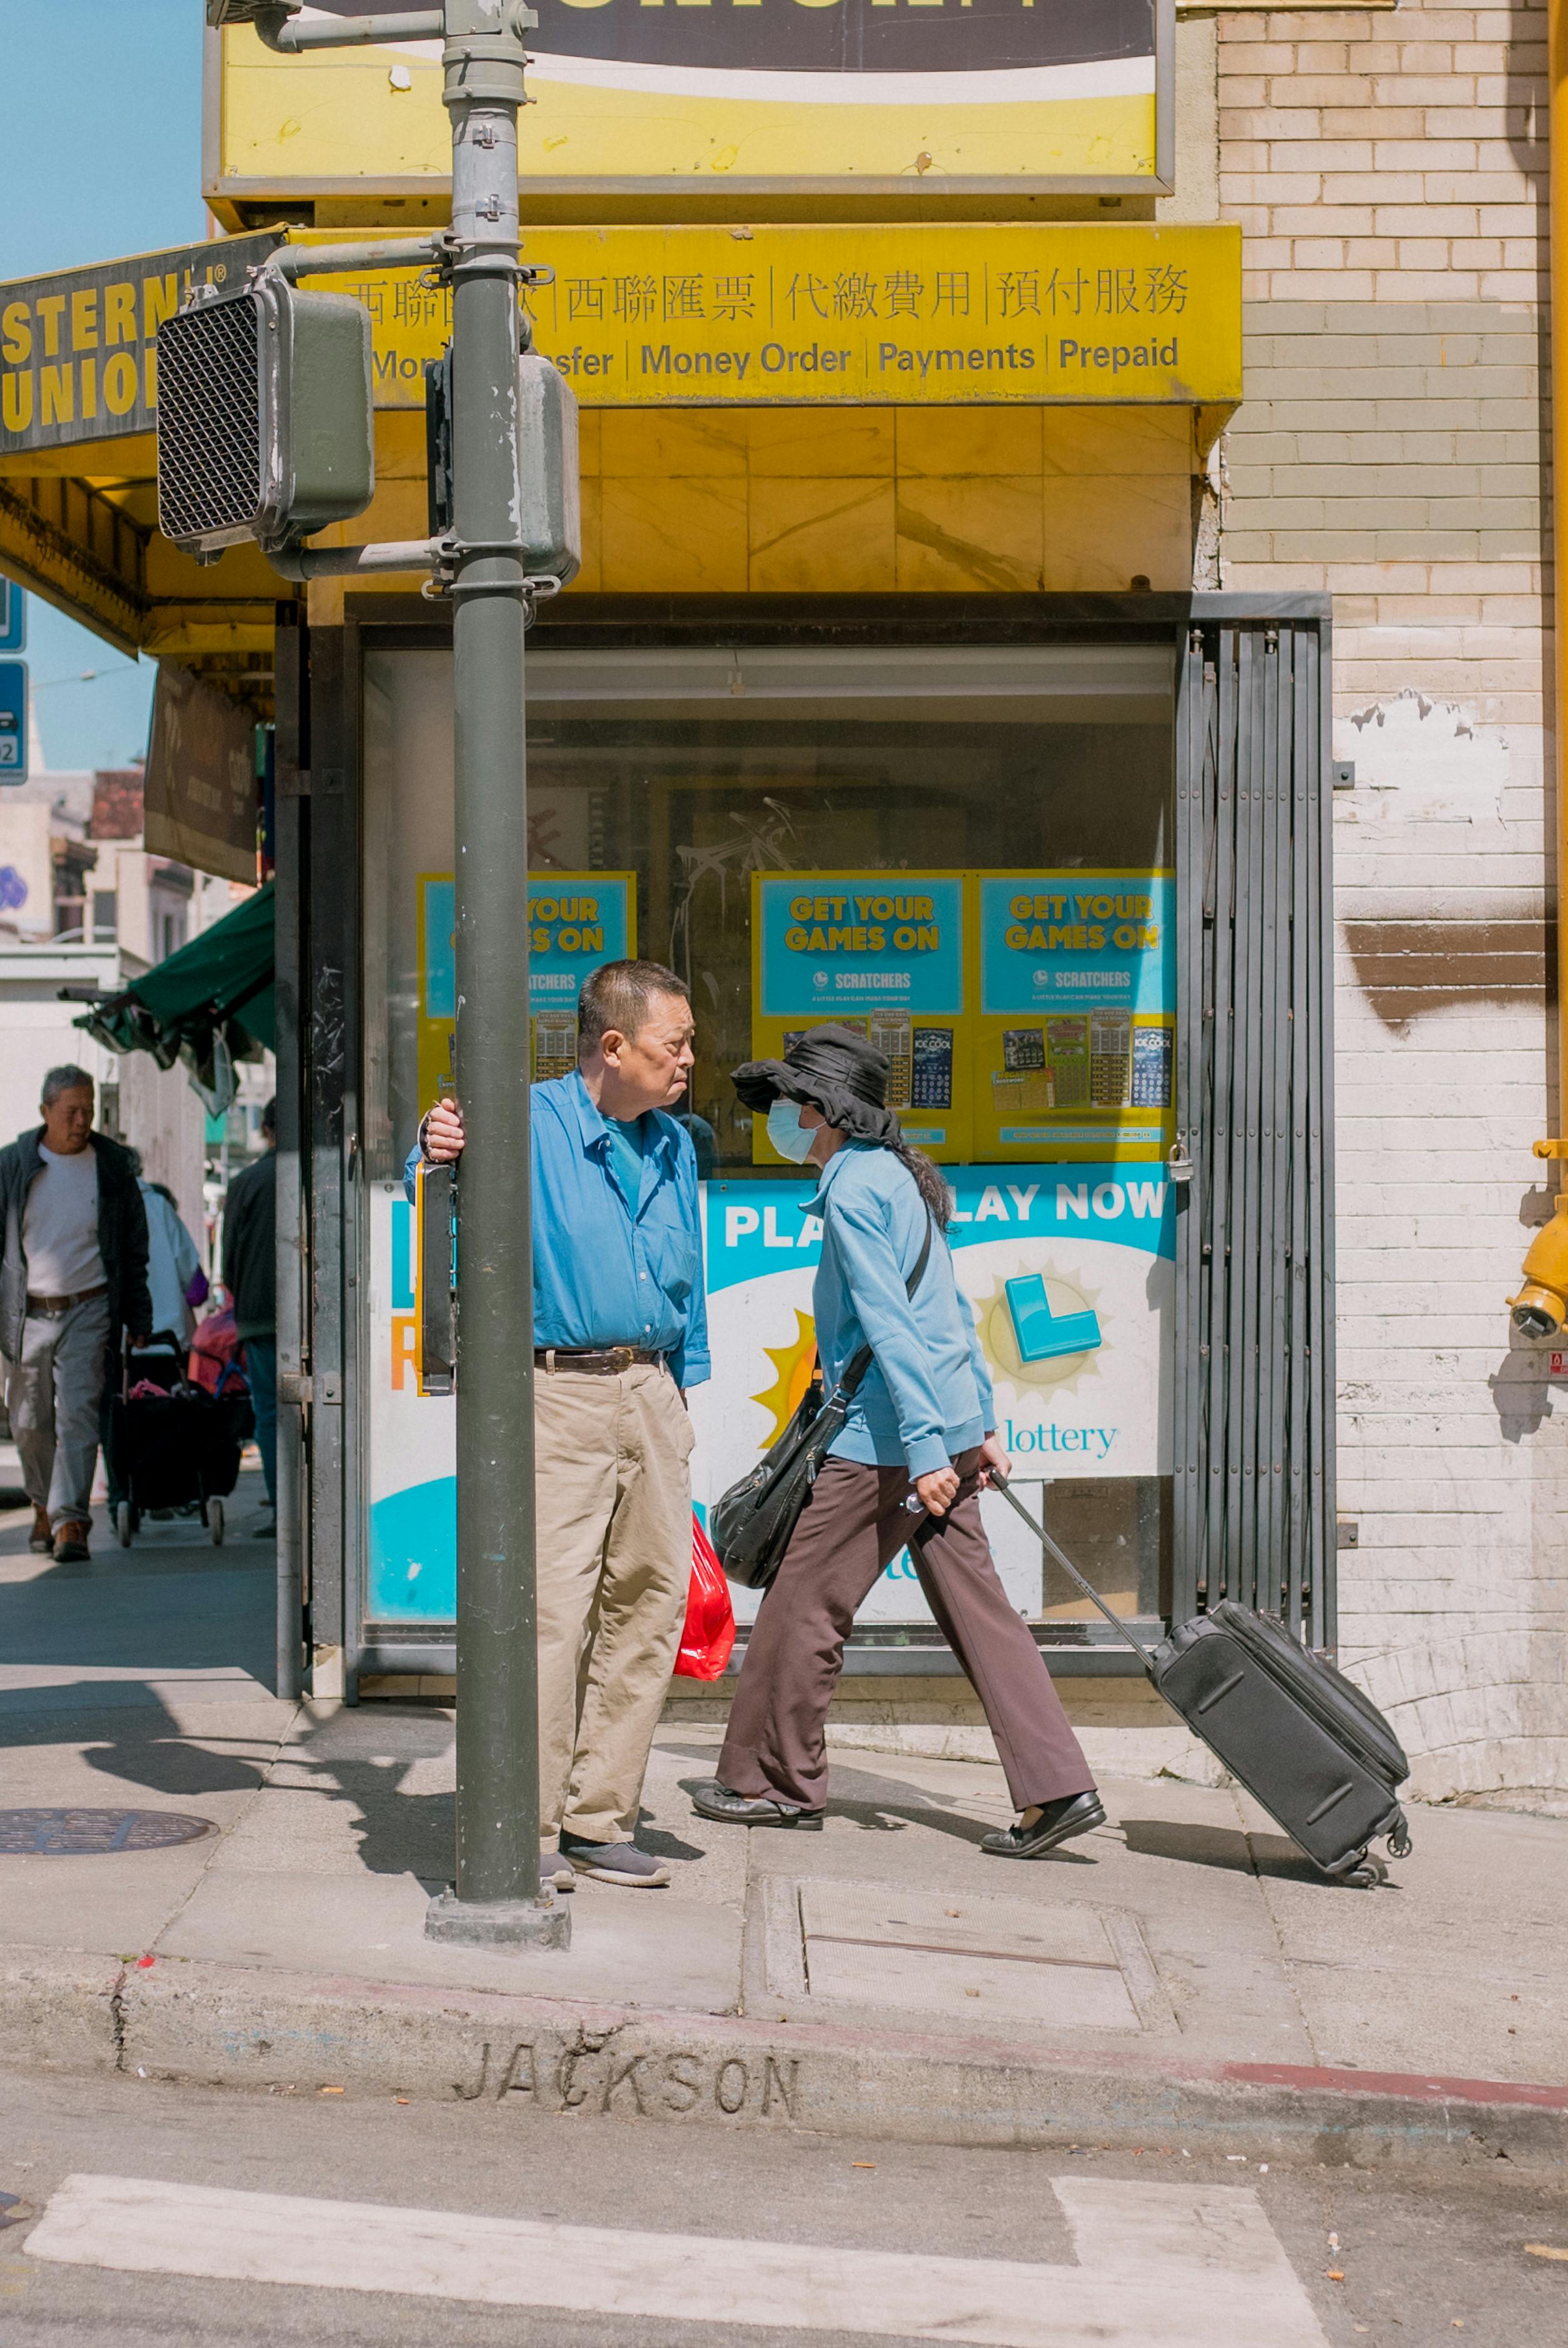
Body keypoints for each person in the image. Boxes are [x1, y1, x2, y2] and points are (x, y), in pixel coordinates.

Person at [692, 1025, 1105, 1860]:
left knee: (805, 1602)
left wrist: (923, 1455)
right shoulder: (899, 1180)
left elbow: (891, 1321)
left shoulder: (853, 1190)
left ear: (823, 1112)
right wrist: (977, 1427)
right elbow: (946, 1311)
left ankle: (775, 1785)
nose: (779, 1120)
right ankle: (1058, 1785)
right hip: (940, 1429)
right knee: (981, 1612)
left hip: (888, 1441)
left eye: (787, 1106)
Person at [408, 959, 709, 1890]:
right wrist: (433, 1143)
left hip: (650, 1391)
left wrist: (682, 1393)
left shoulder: (675, 1143)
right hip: (558, 1394)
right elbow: (435, 1191)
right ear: (613, 1047)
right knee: (551, 1616)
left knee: (651, 1608)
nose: (690, 1059)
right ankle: (524, 1822)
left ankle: (599, 1815)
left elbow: (687, 1277)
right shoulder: (525, 1122)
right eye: (676, 1043)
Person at [0, 1064, 150, 1563]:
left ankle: (70, 1520)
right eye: (71, 1112)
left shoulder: (112, 1167)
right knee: (27, 1420)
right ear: (45, 1112)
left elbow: (134, 1249)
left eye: (88, 1110)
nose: (83, 1120)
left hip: (90, 1306)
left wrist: (139, 1317)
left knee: (80, 1413)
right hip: (28, 1313)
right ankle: (43, 1503)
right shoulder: (13, 1165)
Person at [222, 1098, 277, 1531]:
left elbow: (228, 1262)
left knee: (272, 1414)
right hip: (322, 1315)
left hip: (259, 1314)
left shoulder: (244, 1183)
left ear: (264, 1129)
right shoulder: (321, 1178)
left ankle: (284, 1506)